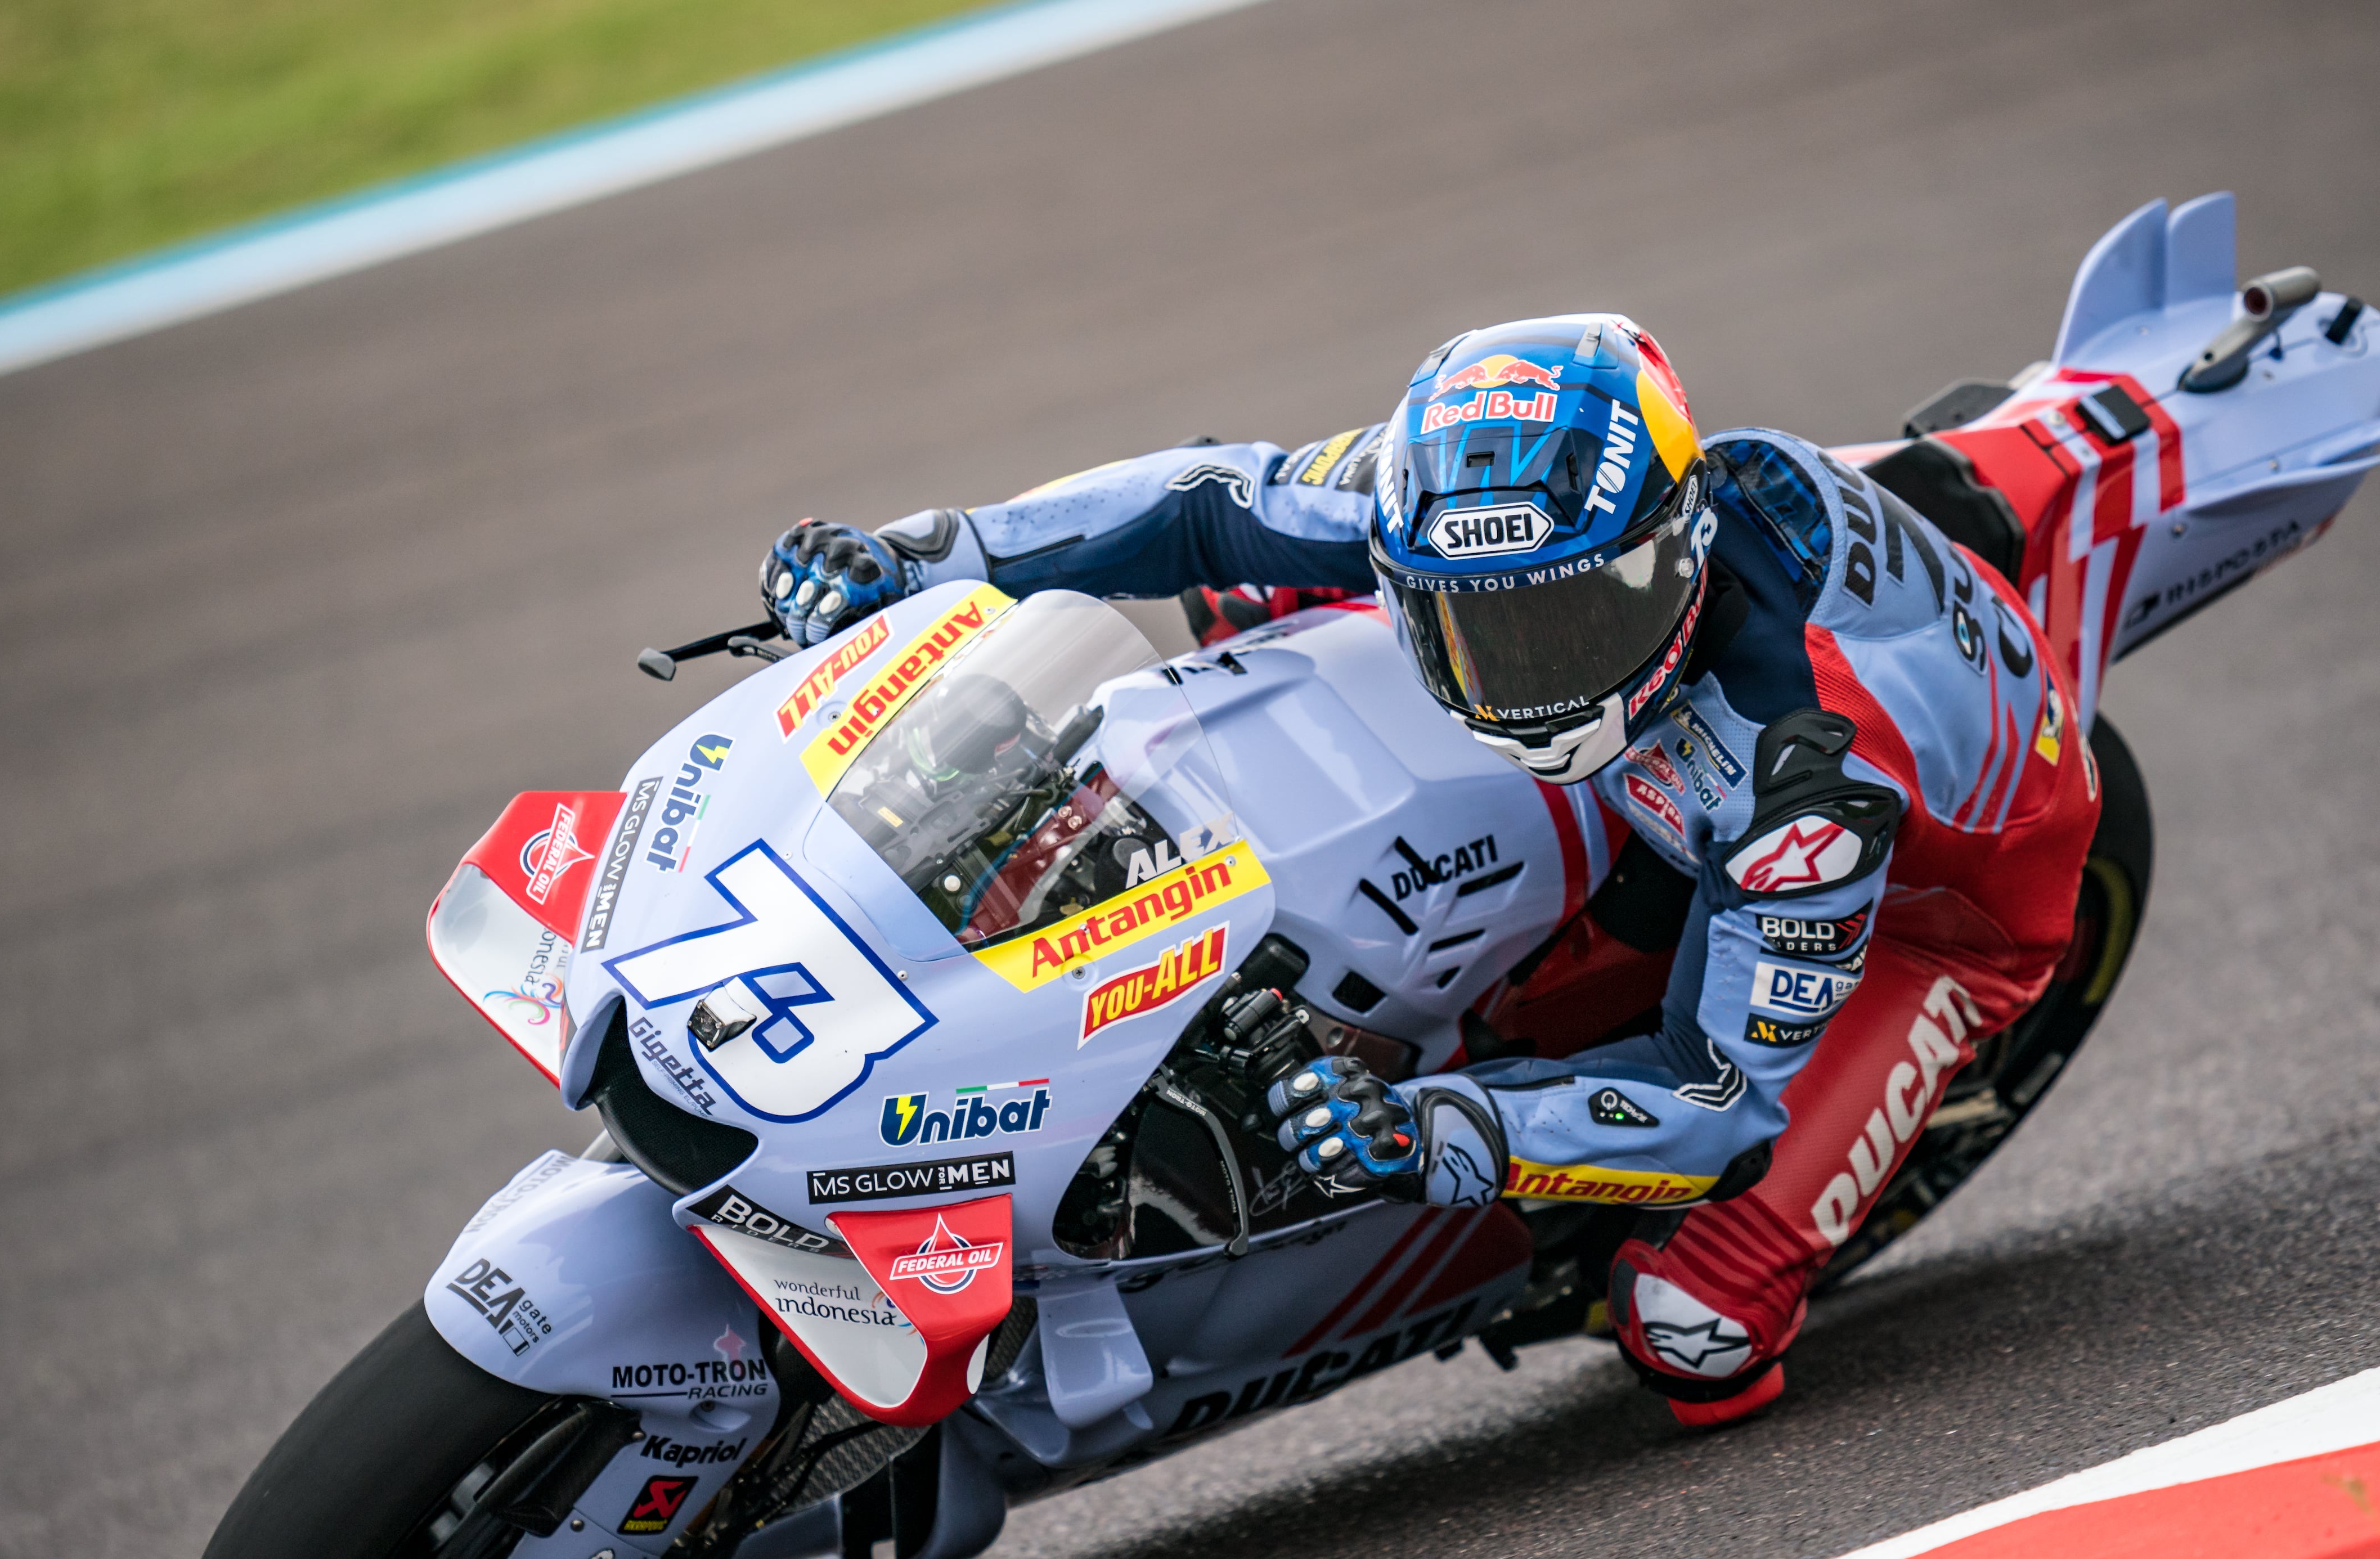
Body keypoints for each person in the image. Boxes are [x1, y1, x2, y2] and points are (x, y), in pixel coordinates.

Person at [757, 315, 2099, 1428]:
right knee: (1250, 598)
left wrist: (1435, 1133)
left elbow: (1717, 1096)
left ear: (1671, 557)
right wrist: (937, 553)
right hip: (1669, 771)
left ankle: (1609, 1239)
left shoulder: (1803, 787)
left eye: (1568, 617)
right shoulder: (1463, 506)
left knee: (1691, 1333)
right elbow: (1211, 499)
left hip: (1936, 914)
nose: (1518, 673)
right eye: (1470, 623)